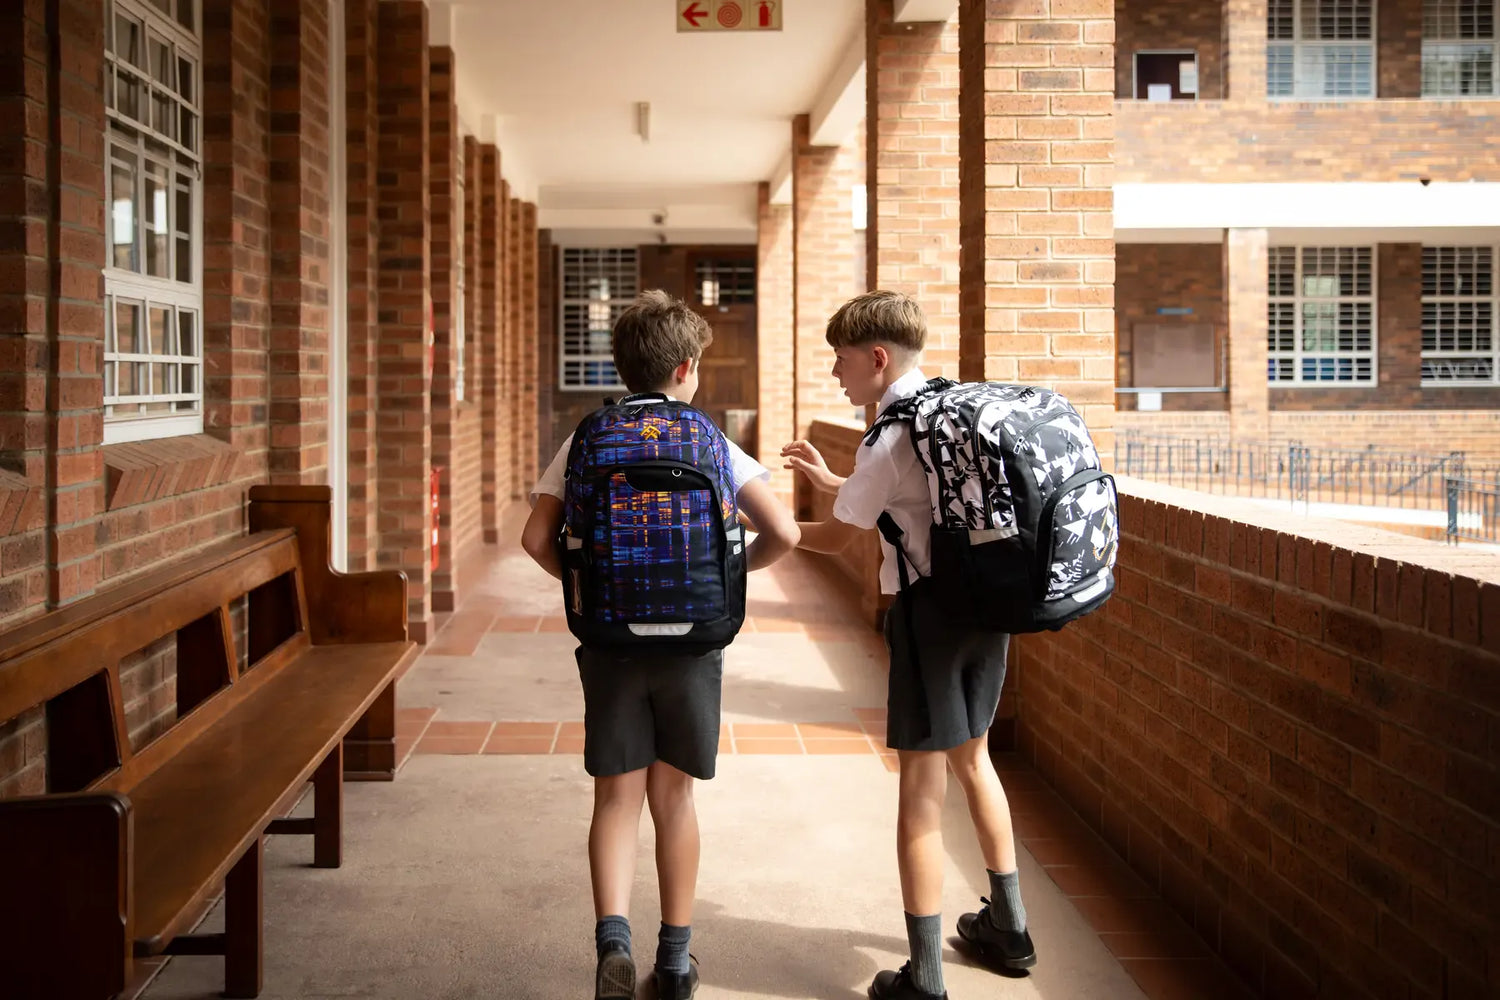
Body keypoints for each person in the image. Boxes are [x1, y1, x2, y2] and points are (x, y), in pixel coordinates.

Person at [521, 290, 800, 1000]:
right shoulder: (710, 438)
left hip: (612, 639)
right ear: (686, 367)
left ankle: (612, 939)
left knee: (614, 798)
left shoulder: (588, 437)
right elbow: (786, 533)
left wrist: (586, 589)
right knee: (673, 799)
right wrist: (729, 581)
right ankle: (674, 964)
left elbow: (534, 539)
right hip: (693, 643)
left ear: (624, 368)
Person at [780, 290, 1037, 1000]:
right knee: (976, 761)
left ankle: (924, 978)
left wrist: (778, 534)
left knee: (921, 794)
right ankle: (1010, 929)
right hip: (987, 607)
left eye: (840, 359)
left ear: (877, 357)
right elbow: (894, 501)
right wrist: (834, 483)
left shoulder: (890, 435)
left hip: (930, 619)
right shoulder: (949, 411)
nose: (836, 374)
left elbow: (840, 532)